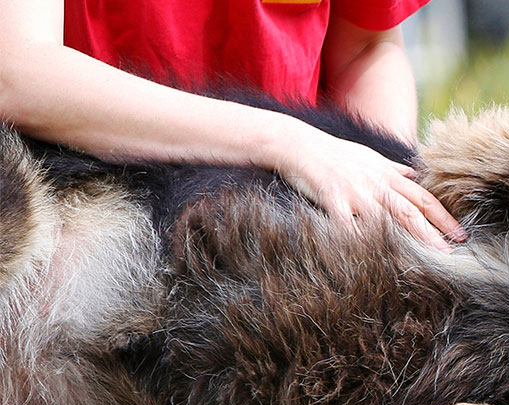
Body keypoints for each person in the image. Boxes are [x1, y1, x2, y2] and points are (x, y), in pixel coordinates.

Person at [0, 0, 464, 251]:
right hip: (81, 217)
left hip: (289, 217)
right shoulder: (289, 144)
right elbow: (16, 72)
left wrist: (377, 190)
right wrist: (283, 142)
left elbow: (367, 47)